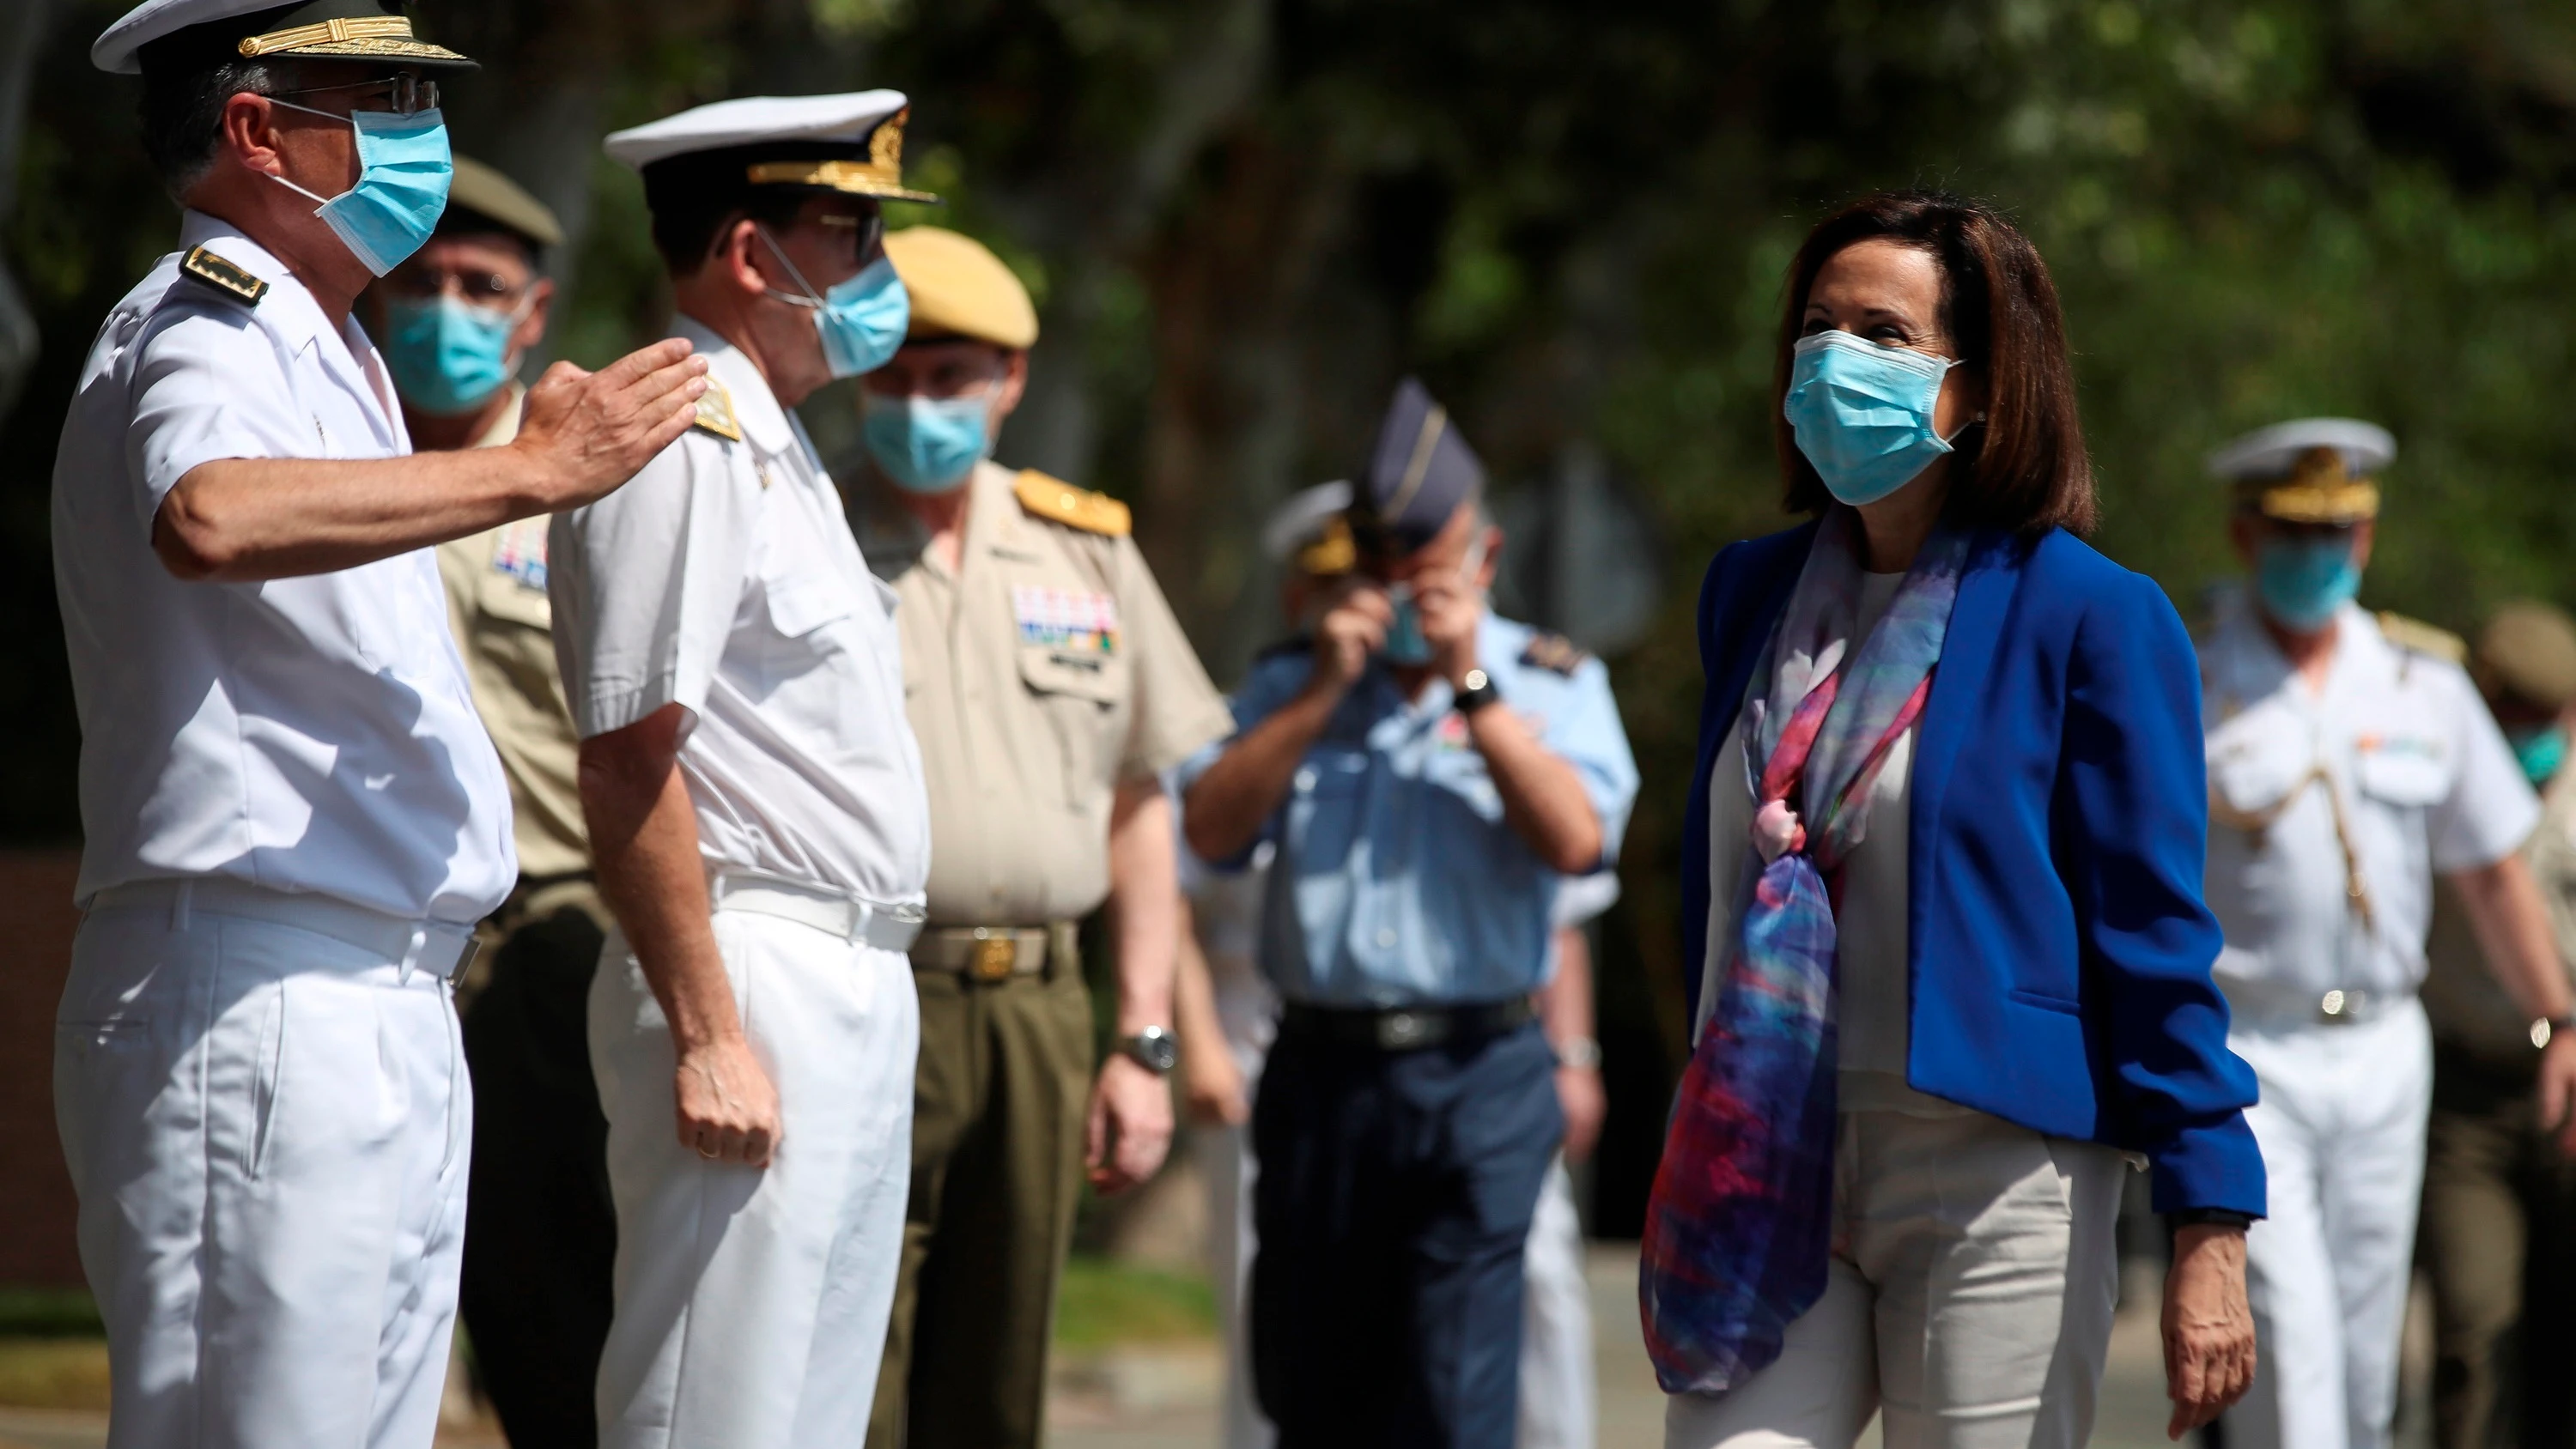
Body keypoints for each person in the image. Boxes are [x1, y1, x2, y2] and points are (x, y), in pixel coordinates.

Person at [53, 3, 708, 1445]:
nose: (424, 133)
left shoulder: (328, 346)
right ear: (253, 129)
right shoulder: (212, 314)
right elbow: (208, 510)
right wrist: (539, 470)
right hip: (262, 975)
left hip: (381, 988)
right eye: (384, 96)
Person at [1643, 190, 2263, 1449]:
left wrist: (2211, 1224)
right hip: (1768, 1152)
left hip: (1996, 1180)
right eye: (1817, 326)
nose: (1834, 360)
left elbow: (2154, 937)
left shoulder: (2090, 612)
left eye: (1882, 333)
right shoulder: (1749, 593)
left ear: (1981, 389)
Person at [550, 93, 937, 1449]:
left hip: (850, 974)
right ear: (752, 255)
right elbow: (627, 750)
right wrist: (713, 1030)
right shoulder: (685, 434)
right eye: (850, 232)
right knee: (710, 1407)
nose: (878, 273)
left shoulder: (781, 449)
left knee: (807, 1410)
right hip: (751, 962)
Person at [1182, 379, 1641, 1449]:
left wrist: (1471, 687)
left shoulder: (1552, 683)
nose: (1399, 598)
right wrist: (1314, 697)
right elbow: (1206, 831)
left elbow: (1578, 842)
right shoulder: (1289, 684)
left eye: (1423, 574)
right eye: (1382, 573)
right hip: (1320, 1074)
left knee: (1455, 1391)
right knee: (1310, 1389)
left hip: (1477, 1072)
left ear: (1480, 559)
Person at [845, 224, 1236, 1449]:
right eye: (898, 374)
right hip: (865, 986)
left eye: (952, 376)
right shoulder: (800, 527)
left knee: (999, 1371)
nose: (922, 403)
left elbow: (1139, 801)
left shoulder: (1086, 546)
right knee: (853, 1363)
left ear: (1010, 383)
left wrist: (1144, 1041)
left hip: (1039, 1011)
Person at [2199, 420, 2576, 1449]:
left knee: (2367, 1371)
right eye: (2290, 534)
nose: (2315, 557)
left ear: (2365, 541)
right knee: (2295, 1347)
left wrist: (2560, 1023)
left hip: (2382, 1048)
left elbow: (2495, 874)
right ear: (2244, 535)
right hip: (2249, 1048)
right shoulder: (2189, 674)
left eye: (2336, 535)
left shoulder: (2426, 682)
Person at [371, 157, 617, 1447]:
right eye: (420, 283)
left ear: (534, 315)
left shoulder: (591, 487)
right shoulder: (326, 473)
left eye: (482, 288)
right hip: (374, 944)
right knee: (372, 1309)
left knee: (560, 1311)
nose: (447, 310)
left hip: (555, 953)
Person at [2419, 601, 2576, 1449]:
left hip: (2570, 1096)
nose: (2528, 733)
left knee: (2556, 1337)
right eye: (2510, 714)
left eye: (2544, 716)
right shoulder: (2435, 774)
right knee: (2475, 1329)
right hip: (2467, 1095)